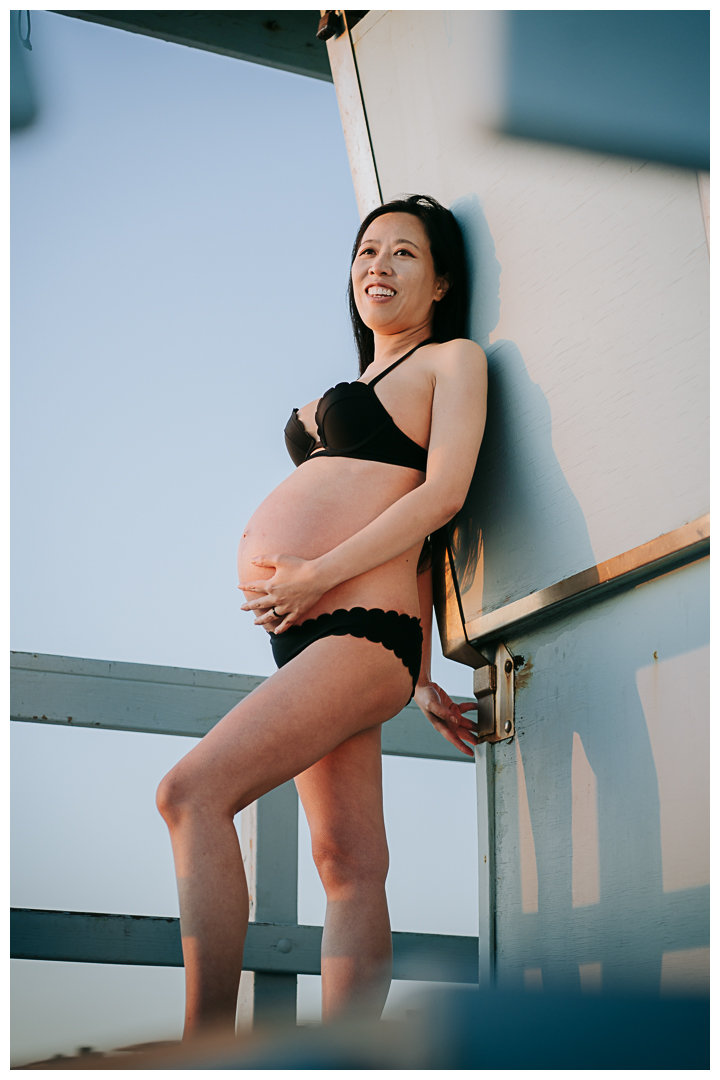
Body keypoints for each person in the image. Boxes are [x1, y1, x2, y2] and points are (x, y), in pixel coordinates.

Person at [156, 194, 488, 1037]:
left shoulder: (453, 363)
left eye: (405, 254)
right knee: (348, 864)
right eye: (367, 250)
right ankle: (344, 1056)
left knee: (190, 793)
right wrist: (418, 683)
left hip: (352, 627)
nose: (378, 265)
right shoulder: (357, 382)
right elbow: (409, 551)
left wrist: (314, 576)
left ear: (443, 281)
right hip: (327, 637)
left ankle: (207, 1047)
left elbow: (439, 498)